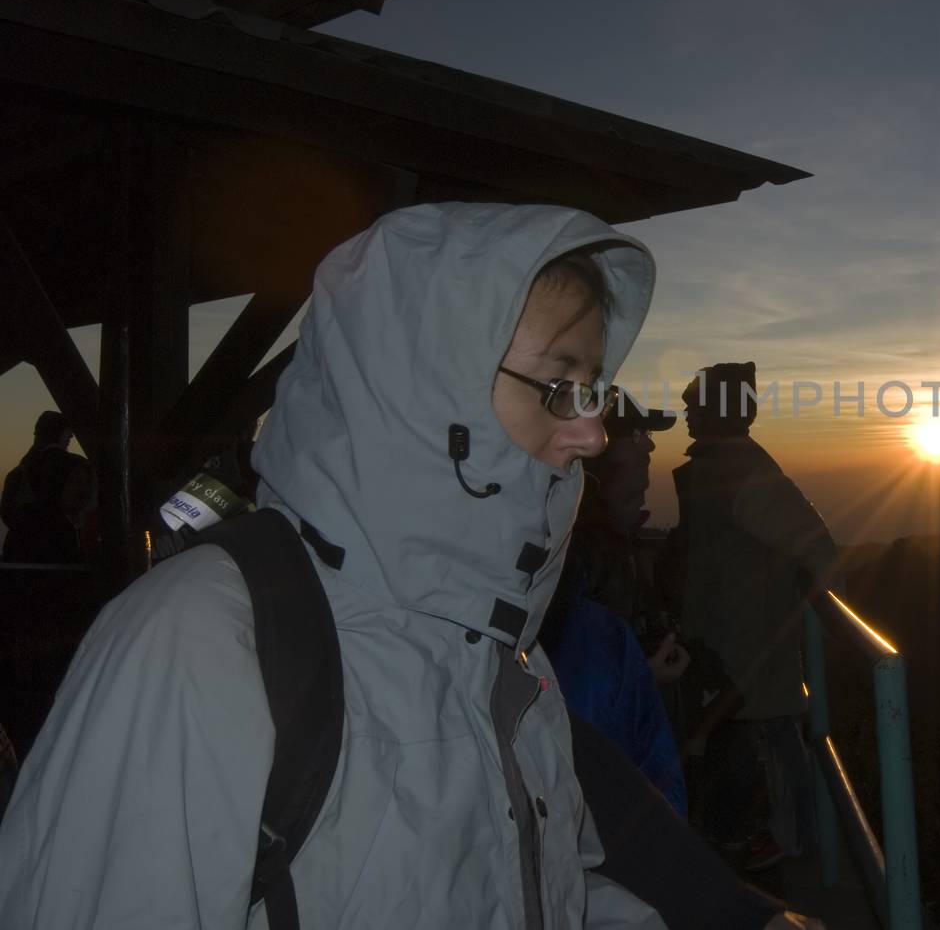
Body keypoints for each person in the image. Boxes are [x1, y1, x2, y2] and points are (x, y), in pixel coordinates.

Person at [0, 204, 824, 929]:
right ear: (426, 391)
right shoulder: (204, 641)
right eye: (559, 385)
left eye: (593, 390)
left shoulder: (503, 653)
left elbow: (533, 894)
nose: (591, 433)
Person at [673, 363, 839, 871]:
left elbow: (820, 555)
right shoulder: (728, 469)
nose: (685, 412)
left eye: (694, 404)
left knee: (759, 772)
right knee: (744, 771)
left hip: (747, 667)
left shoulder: (742, 474)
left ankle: (777, 853)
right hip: (731, 662)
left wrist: (821, 602)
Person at [543, 394, 688, 814]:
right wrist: (642, 676)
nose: (650, 447)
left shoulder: (603, 542)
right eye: (637, 434)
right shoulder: (582, 555)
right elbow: (581, 695)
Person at [1, 410, 89, 564]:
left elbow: (6, 514)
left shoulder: (16, 474)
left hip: (18, 554)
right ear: (59, 433)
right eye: (68, 434)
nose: (71, 437)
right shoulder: (74, 466)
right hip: (58, 553)